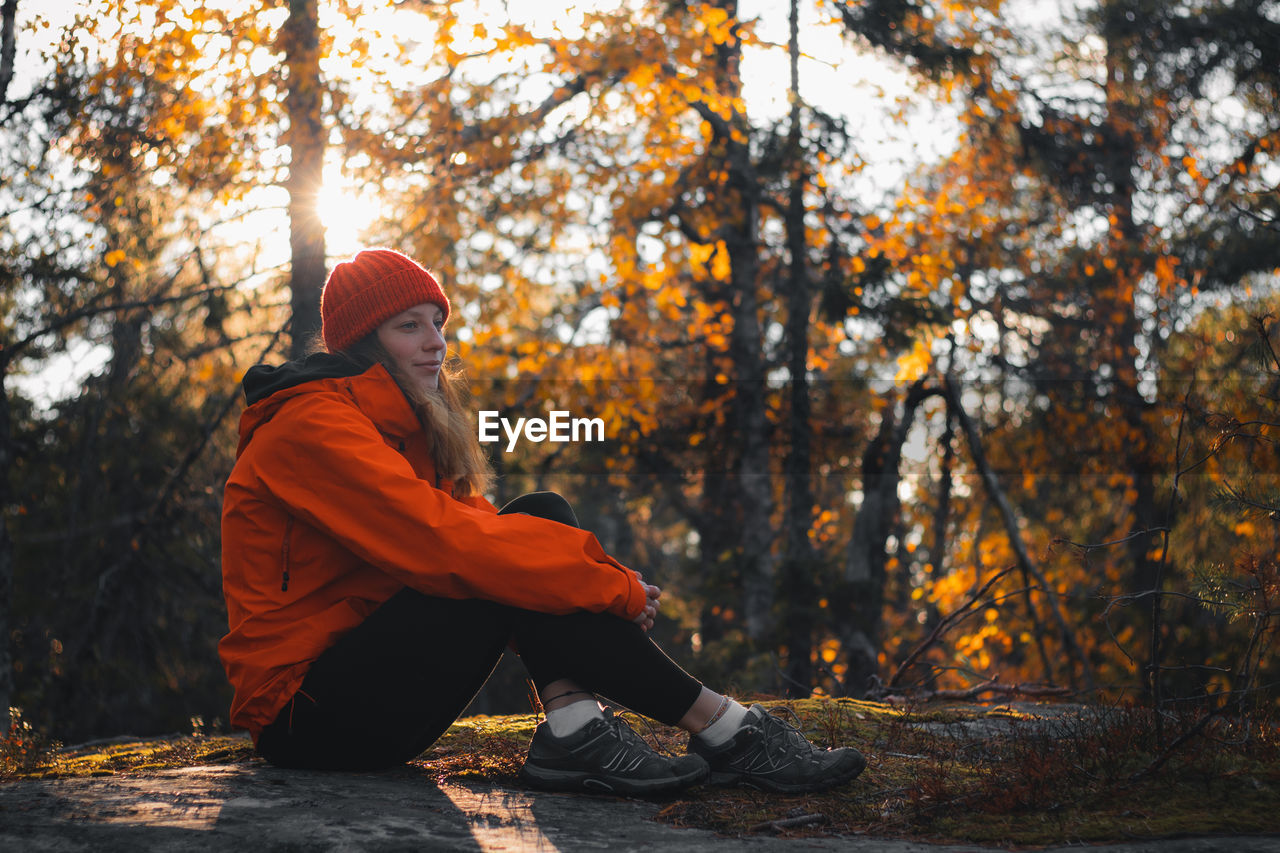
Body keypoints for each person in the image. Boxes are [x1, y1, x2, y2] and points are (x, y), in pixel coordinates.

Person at [219, 247, 865, 795]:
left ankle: (575, 728)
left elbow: (477, 525)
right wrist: (610, 586)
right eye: (409, 326)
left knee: (539, 517)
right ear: (366, 341)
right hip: (305, 714)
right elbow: (449, 545)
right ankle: (724, 726)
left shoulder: (399, 427)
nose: (436, 343)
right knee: (499, 567)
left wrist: (582, 570)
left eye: (437, 323)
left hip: (369, 686)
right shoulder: (311, 428)